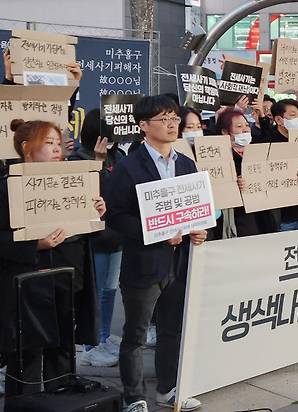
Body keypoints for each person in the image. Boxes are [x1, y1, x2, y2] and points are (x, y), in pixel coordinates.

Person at [105, 95, 206, 412]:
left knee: (172, 330)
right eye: (164, 119)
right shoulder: (128, 167)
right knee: (135, 335)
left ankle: (168, 388)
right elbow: (117, 216)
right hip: (144, 264)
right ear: (143, 126)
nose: (172, 124)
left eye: (174, 118)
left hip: (180, 261)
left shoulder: (186, 164)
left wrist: (199, 229)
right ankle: (133, 396)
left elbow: (197, 209)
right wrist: (157, 234)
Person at [1, 119, 105, 398]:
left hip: (69, 275)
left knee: (63, 345)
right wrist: (36, 244)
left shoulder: (74, 180)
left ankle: (62, 395)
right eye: (48, 143)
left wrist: (95, 211)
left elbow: (90, 230)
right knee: (29, 351)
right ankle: (26, 402)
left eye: (58, 143)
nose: (57, 149)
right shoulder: (8, 185)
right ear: (26, 148)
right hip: (29, 282)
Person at [68, 109, 125, 368]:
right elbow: (93, 194)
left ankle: (103, 336)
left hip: (118, 234)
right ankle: (92, 343)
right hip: (94, 237)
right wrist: (99, 165)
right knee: (97, 290)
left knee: (110, 289)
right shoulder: (77, 158)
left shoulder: (120, 155)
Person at [216, 109, 277, 238]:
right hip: (240, 218)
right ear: (225, 132)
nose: (245, 130)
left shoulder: (258, 152)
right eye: (239, 126)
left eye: (247, 125)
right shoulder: (221, 159)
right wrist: (233, 183)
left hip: (263, 215)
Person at [267, 99, 298, 231]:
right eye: (292, 115)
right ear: (279, 120)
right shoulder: (268, 143)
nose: (297, 119)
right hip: (282, 213)